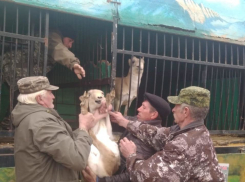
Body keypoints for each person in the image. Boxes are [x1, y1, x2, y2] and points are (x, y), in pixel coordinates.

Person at [110, 86, 225, 182]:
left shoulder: (183, 145)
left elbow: (146, 176)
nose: (173, 109)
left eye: (176, 105)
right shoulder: (196, 130)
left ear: (185, 111)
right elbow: (156, 133)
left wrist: (131, 155)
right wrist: (124, 122)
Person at [12, 76, 107, 182]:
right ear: (40, 99)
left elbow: (63, 141)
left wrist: (90, 123)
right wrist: (83, 127)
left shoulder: (33, 118)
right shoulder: (41, 122)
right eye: (50, 93)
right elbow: (77, 159)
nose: (53, 96)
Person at [1, 24, 85, 130]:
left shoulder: (54, 36)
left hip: (20, 69)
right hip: (15, 66)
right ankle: (10, 124)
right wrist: (73, 63)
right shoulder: (53, 35)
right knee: (21, 95)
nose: (70, 45)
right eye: (70, 41)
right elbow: (59, 49)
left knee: (20, 96)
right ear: (63, 36)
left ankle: (10, 123)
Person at [83, 92, 171, 182]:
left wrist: (99, 180)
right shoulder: (138, 120)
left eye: (143, 107)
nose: (138, 109)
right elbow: (118, 119)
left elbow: (132, 175)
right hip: (111, 168)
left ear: (153, 115)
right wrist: (108, 108)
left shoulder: (151, 140)